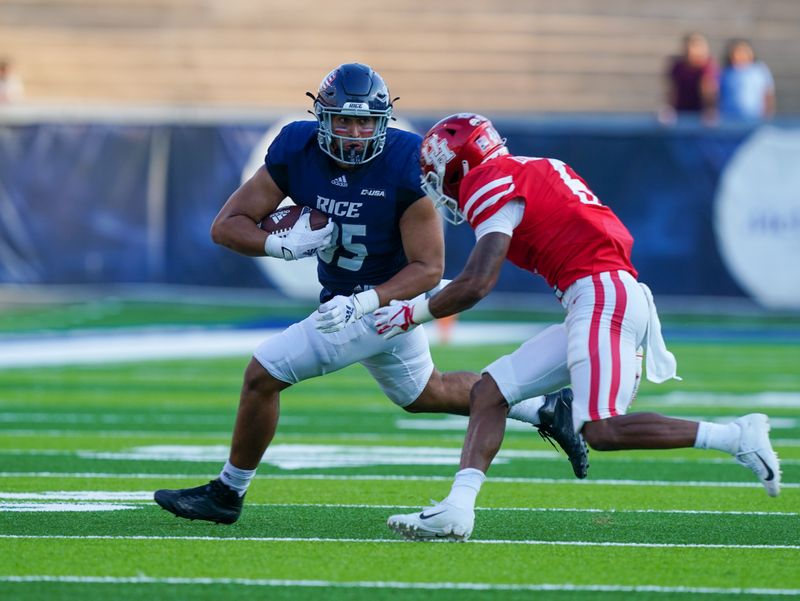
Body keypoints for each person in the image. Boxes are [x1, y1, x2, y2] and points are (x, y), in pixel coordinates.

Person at [153, 64, 587, 525]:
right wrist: (276, 244)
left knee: (265, 372)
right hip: (342, 296)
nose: (356, 132)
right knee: (425, 391)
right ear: (322, 117)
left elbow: (429, 268)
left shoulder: (405, 162)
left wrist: (366, 302)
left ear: (384, 122)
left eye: (366, 121)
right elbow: (226, 225)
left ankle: (227, 492)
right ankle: (544, 407)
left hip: (385, 301)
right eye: (344, 120)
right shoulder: (296, 148)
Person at [375, 113, 782, 542]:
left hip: (601, 296)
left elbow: (477, 282)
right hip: (599, 295)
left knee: (602, 430)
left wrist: (411, 313)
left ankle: (737, 435)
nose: (441, 189)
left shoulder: (488, 180)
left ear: (457, 164)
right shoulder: (536, 166)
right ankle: (457, 509)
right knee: (489, 391)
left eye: (439, 175)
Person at [660, 33, 718, 123]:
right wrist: (669, 109)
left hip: (700, 113)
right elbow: (673, 90)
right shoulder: (677, 67)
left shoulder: (707, 67)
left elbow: (708, 90)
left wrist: (709, 109)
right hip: (681, 111)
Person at [718, 38, 775, 120]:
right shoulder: (726, 72)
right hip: (730, 118)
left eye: (744, 51)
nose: (741, 55)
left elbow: (768, 93)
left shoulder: (759, 70)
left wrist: (768, 114)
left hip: (755, 117)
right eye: (737, 52)